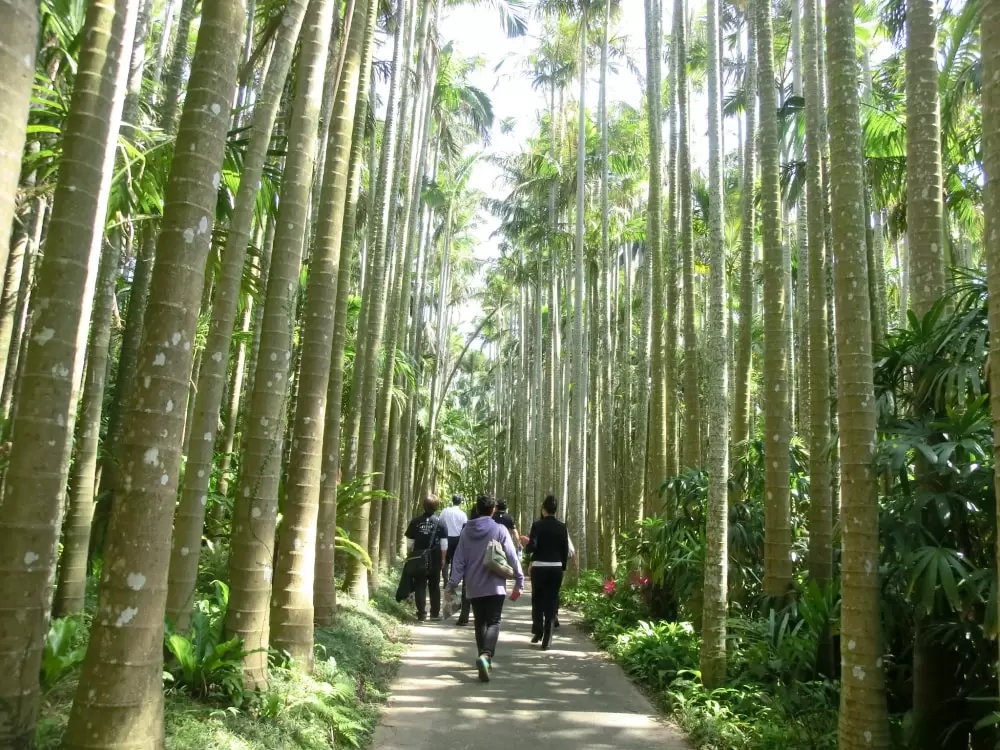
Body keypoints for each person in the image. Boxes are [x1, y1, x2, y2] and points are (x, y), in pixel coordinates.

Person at [446, 494, 524, 682]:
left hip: (473, 585)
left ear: (477, 509)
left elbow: (458, 561)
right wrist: (519, 580)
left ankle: (484, 658)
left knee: (480, 622)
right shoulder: (500, 529)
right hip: (495, 584)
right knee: (494, 621)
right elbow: (512, 556)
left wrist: (451, 584)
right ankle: (486, 655)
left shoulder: (466, 531)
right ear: (492, 511)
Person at [521, 494, 569, 650]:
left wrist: (526, 547)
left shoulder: (537, 525)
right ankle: (547, 638)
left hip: (539, 567)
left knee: (537, 600)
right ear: (555, 510)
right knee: (552, 601)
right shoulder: (562, 527)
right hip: (556, 567)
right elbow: (565, 549)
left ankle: (538, 630)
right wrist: (562, 567)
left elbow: (533, 546)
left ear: (544, 509)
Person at [403, 494, 449, 621]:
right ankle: (434, 614)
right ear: (436, 507)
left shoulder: (416, 521)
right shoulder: (441, 522)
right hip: (435, 558)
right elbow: (444, 544)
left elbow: (410, 543)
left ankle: (422, 613)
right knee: (434, 585)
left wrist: (410, 555)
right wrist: (443, 559)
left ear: (424, 506)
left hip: (418, 558)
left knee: (420, 584)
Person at [439, 494, 467, 587]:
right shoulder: (463, 514)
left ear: (452, 500)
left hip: (445, 537)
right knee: (455, 560)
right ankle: (452, 581)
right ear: (460, 502)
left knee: (445, 560)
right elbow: (464, 528)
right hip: (457, 539)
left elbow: (440, 522)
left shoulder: (445, 511)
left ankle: (445, 579)